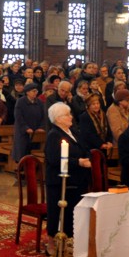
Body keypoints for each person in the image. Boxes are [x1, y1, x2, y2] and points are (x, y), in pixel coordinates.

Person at [43, 102, 91, 248]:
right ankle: (52, 242)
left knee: (73, 211)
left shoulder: (73, 132)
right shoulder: (54, 135)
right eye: (67, 115)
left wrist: (87, 158)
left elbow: (85, 148)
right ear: (58, 119)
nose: (71, 117)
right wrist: (78, 162)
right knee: (56, 211)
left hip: (77, 179)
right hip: (59, 181)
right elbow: (54, 159)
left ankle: (70, 239)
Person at [12, 81, 45, 163]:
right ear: (27, 92)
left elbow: (43, 117)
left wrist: (41, 127)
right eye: (33, 91)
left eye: (36, 91)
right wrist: (26, 128)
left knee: (34, 153)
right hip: (23, 132)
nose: (36, 93)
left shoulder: (39, 102)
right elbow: (18, 117)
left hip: (36, 132)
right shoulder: (20, 102)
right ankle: (21, 168)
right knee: (22, 153)